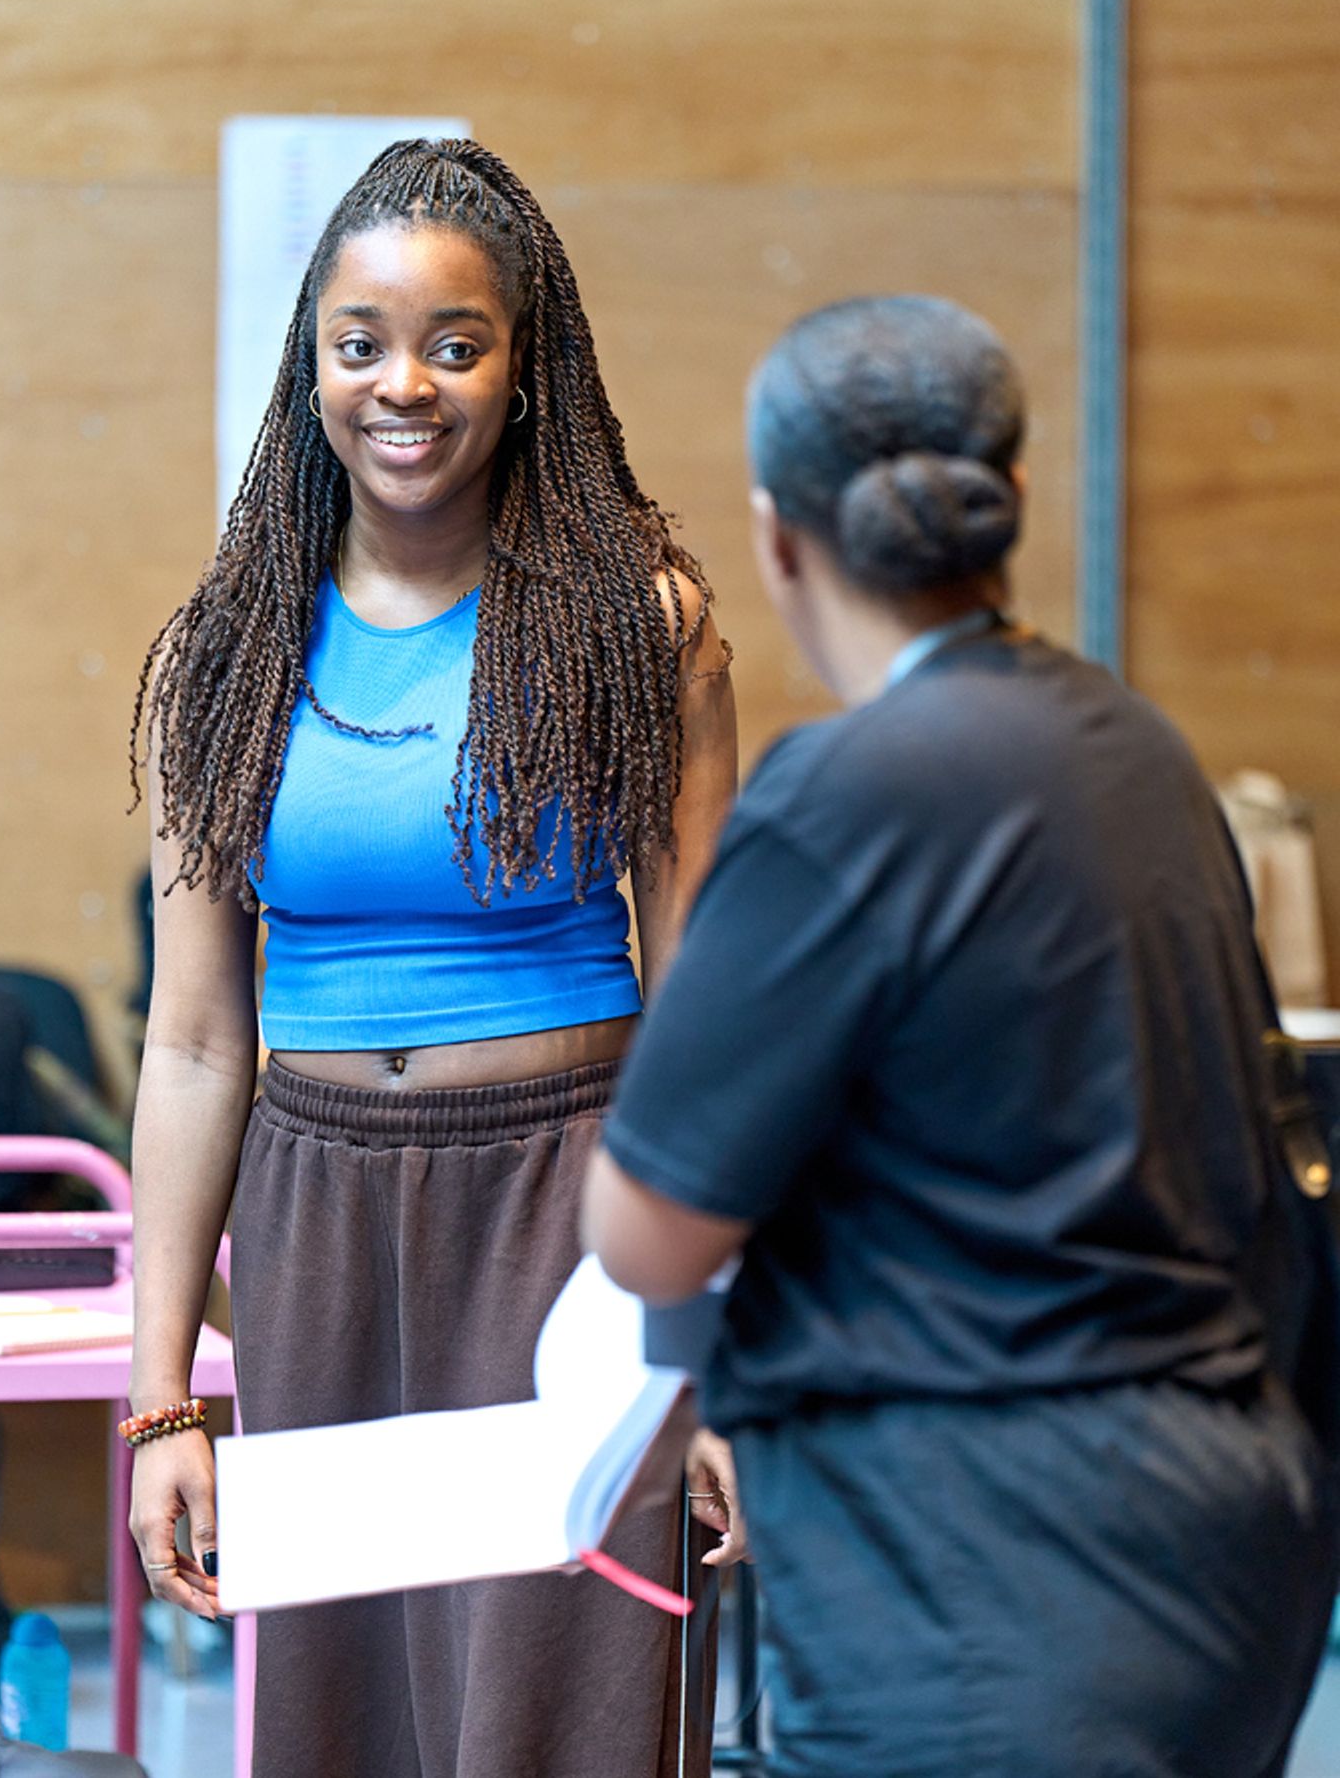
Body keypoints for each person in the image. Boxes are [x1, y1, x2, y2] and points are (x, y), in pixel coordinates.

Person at [584, 294, 1340, 1778]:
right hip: (1227, 1541)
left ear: (776, 538)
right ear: (1014, 502)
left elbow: (650, 1232)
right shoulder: (1143, 749)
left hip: (986, 1576)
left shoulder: (843, 794)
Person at [125, 139, 736, 1778]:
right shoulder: (225, 653)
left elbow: (704, 1022)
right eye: (360, 342)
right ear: (311, 361)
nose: (406, 384)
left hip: (571, 1213)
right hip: (314, 1217)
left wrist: (722, 1360)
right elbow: (191, 1043)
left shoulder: (640, 627)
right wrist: (164, 1396)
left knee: (565, 1718)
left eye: (456, 343)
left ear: (526, 371)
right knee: (344, 1729)